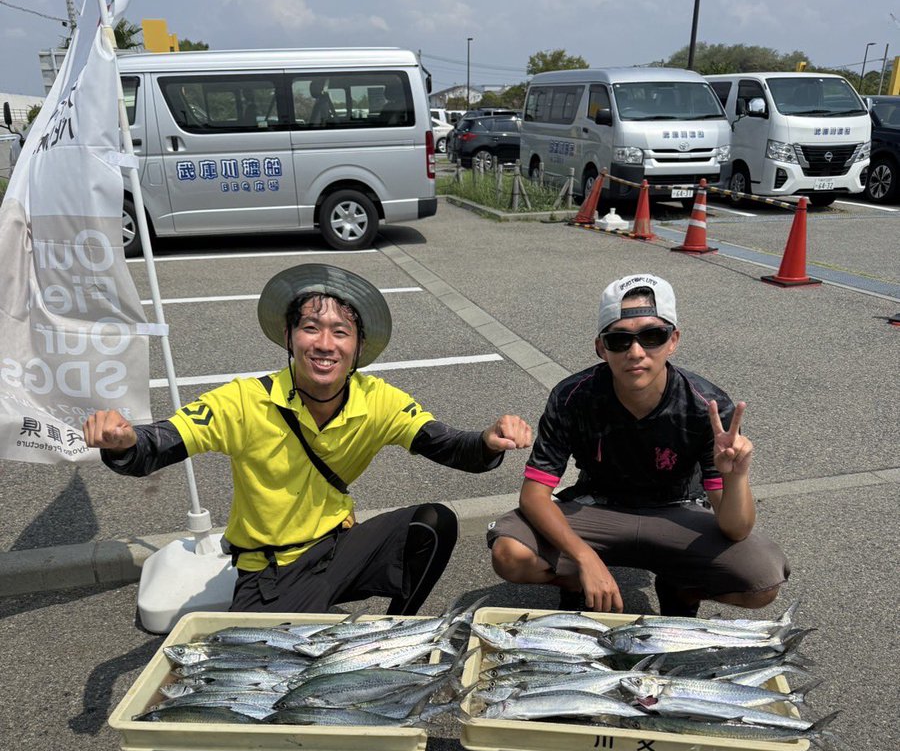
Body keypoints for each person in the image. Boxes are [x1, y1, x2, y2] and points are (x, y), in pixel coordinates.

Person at [84, 264, 531, 613]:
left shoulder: (379, 399)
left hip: (340, 547)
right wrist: (123, 443)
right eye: (310, 328)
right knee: (276, 685)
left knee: (433, 523)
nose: (324, 343)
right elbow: (162, 442)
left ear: (358, 348)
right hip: (271, 568)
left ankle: (398, 629)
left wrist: (490, 441)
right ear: (289, 337)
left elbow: (451, 446)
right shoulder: (243, 400)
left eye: (341, 332)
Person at [488, 273, 789, 616]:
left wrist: (736, 477)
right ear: (601, 347)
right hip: (598, 507)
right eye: (619, 340)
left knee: (760, 580)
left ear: (673, 340)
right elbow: (534, 495)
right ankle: (577, 583)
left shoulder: (707, 406)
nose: (636, 352)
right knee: (510, 554)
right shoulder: (572, 396)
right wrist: (586, 559)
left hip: (680, 508)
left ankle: (682, 589)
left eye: (652, 336)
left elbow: (735, 528)